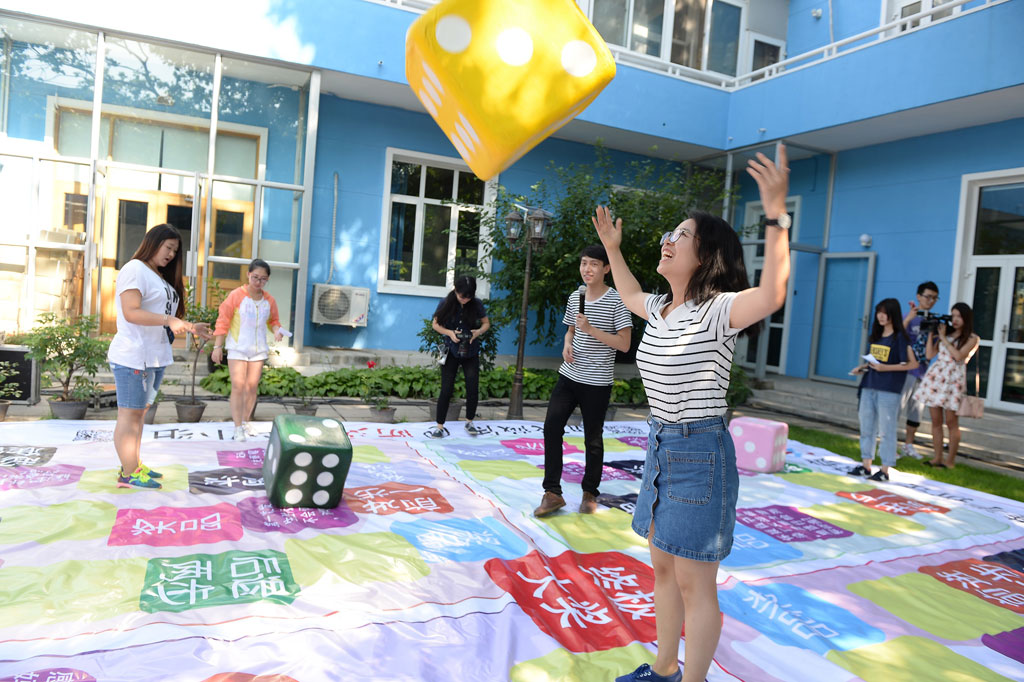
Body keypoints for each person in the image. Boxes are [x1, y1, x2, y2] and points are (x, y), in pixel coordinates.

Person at [596, 146, 791, 682]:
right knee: (662, 566)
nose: (668, 240)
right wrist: (612, 249)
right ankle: (664, 670)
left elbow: (773, 293)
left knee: (694, 582)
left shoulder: (719, 309)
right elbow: (629, 291)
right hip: (661, 446)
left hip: (700, 452)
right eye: (670, 233)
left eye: (680, 236)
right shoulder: (660, 309)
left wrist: (776, 214)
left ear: (705, 256)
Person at [107, 224, 211, 489]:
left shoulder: (160, 276)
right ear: (153, 243)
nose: (171, 254)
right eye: (168, 247)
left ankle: (133, 465)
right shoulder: (135, 269)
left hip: (155, 358)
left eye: (175, 251)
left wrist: (189, 326)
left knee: (139, 416)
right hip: (133, 356)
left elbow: (166, 318)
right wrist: (170, 320)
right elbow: (131, 312)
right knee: (129, 416)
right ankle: (128, 473)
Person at [533, 245, 632, 517]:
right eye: (584, 263)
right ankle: (552, 492)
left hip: (597, 382)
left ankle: (590, 492)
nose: (587, 269)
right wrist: (567, 344)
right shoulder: (576, 295)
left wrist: (591, 329)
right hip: (569, 374)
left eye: (594, 264)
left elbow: (624, 344)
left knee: (593, 439)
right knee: (552, 427)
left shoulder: (617, 301)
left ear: (606, 269)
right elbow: (571, 331)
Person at [211, 259, 285, 442]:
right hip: (237, 348)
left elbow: (274, 321)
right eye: (255, 277)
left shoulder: (269, 300)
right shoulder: (236, 296)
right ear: (248, 275)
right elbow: (223, 321)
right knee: (238, 386)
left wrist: (277, 330)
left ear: (267, 280)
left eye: (263, 279)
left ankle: (246, 422)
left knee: (252, 387)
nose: (258, 282)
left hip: (258, 350)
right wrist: (217, 347)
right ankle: (237, 427)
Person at [847, 298, 918, 482]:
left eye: (885, 312)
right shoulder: (876, 336)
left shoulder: (900, 337)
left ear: (893, 314)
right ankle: (866, 465)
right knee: (866, 427)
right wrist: (863, 367)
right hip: (869, 385)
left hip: (889, 389)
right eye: (879, 311)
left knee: (886, 430)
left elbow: (912, 364)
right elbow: (875, 361)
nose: (881, 316)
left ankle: (885, 470)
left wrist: (885, 368)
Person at [425, 276, 490, 438]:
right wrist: (450, 333)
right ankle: (439, 426)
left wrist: (478, 332)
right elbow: (435, 324)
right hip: (451, 350)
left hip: (471, 350)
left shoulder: (476, 304)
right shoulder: (446, 303)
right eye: (462, 296)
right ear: (455, 290)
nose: (465, 300)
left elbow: (486, 323)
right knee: (446, 389)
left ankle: (469, 422)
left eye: (469, 297)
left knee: (472, 387)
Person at [917, 302, 979, 469]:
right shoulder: (946, 334)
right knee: (936, 421)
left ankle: (950, 461)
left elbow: (959, 356)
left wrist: (943, 337)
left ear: (966, 318)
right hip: (936, 378)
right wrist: (932, 333)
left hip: (954, 380)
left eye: (959, 316)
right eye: (953, 316)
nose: (955, 320)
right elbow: (930, 354)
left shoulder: (972, 338)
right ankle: (937, 458)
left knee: (951, 422)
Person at [899, 281, 939, 458]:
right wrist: (908, 318)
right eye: (927, 297)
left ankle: (909, 445)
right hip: (905, 370)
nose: (930, 301)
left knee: (916, 410)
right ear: (918, 296)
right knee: (897, 407)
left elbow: (933, 350)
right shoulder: (909, 317)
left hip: (923, 371)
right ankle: (888, 443)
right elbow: (897, 337)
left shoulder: (934, 321)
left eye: (934, 298)